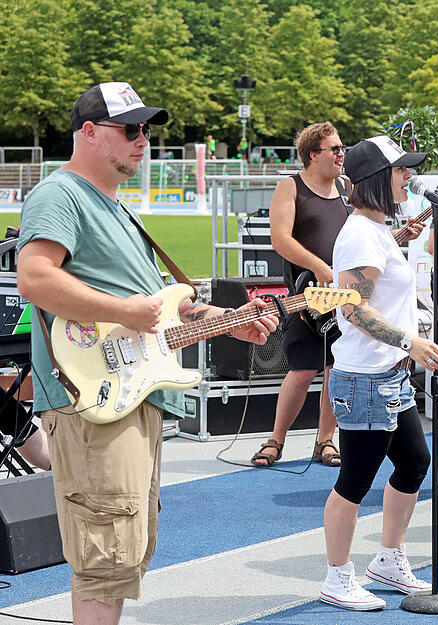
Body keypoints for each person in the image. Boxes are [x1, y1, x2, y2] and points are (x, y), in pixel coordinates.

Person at [16, 82, 278, 625]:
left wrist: (228, 323)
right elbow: (34, 278)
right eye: (131, 130)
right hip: (92, 399)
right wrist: (124, 310)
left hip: (130, 396)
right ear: (88, 132)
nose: (144, 142)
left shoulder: (116, 209)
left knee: (125, 548)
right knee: (104, 555)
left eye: (147, 131)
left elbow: (161, 316)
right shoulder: (60, 193)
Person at [320, 136, 438, 611]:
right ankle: (337, 576)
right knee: (355, 479)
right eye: (400, 171)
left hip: (387, 374)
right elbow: (352, 310)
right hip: (366, 376)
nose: (408, 178)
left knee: (414, 463)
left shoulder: (375, 230)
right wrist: (409, 342)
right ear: (376, 179)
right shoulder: (359, 233)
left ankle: (388, 559)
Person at [250, 122, 349, 469]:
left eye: (341, 148)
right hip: (303, 298)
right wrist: (320, 267)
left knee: (336, 369)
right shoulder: (290, 187)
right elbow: (280, 239)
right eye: (334, 149)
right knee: (302, 369)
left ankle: (326, 440)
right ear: (312, 155)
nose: (341, 154)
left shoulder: (347, 191)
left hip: (342, 296)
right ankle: (276, 439)